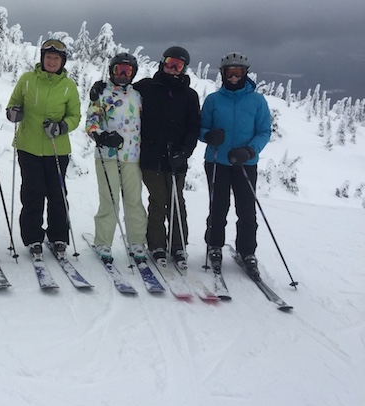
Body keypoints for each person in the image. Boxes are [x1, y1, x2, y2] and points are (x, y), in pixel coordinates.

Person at [6, 39, 81, 259]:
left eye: (56, 58)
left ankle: (58, 236)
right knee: (32, 193)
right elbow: (12, 104)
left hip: (57, 149)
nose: (51, 61)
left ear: (62, 61)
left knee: (57, 194)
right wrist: (13, 113)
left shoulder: (69, 85)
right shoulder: (27, 80)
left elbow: (75, 116)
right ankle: (33, 238)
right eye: (48, 57)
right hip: (28, 147)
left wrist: (61, 127)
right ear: (42, 58)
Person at [200, 51, 271, 278]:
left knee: (247, 210)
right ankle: (214, 245)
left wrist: (249, 150)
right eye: (229, 73)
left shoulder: (257, 101)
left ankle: (247, 251)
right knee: (218, 207)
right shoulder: (213, 100)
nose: (233, 77)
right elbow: (201, 128)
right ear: (223, 74)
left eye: (238, 73)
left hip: (245, 163)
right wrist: (209, 136)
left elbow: (264, 131)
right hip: (217, 162)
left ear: (245, 74)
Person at [132, 46, 200, 268]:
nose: (173, 69)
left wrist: (185, 152)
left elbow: (193, 128)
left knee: (176, 201)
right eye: (170, 63)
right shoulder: (146, 87)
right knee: (159, 199)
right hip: (152, 157)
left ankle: (178, 245)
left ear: (184, 69)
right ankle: (156, 244)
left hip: (176, 159)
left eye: (178, 66)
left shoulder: (190, 95)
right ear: (162, 62)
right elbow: (121, 91)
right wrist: (102, 87)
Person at [85, 52, 147, 263]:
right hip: (107, 155)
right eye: (118, 69)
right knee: (109, 200)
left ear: (133, 73)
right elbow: (91, 121)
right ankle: (103, 242)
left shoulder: (138, 96)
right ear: (111, 71)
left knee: (134, 201)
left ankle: (137, 242)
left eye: (127, 70)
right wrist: (100, 135)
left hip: (132, 156)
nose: (122, 74)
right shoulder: (101, 94)